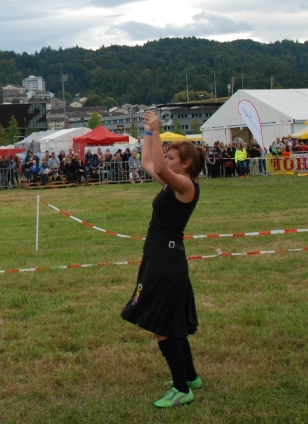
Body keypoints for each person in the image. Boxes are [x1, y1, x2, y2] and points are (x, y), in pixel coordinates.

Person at [121, 111, 205, 409]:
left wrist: (157, 131)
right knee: (172, 323)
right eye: (166, 155)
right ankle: (191, 377)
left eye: (171, 156)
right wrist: (147, 132)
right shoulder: (174, 183)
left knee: (162, 326)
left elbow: (156, 164)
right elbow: (148, 163)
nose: (165, 160)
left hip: (166, 262)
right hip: (162, 257)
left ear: (186, 164)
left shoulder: (186, 186)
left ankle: (182, 389)